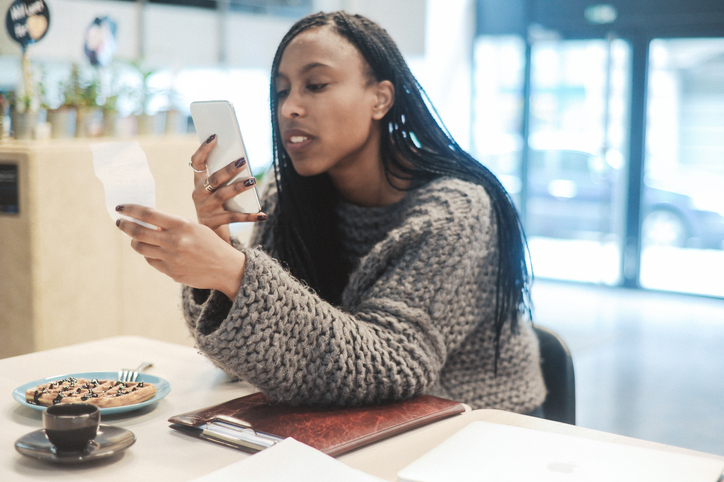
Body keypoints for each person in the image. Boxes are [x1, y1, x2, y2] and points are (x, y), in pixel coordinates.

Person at [116, 11, 546, 413]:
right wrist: (219, 248)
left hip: (477, 427)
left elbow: (389, 365)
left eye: (316, 85)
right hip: (358, 420)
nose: (288, 108)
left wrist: (233, 272)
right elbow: (244, 357)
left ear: (380, 99)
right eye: (282, 91)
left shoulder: (455, 211)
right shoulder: (288, 195)